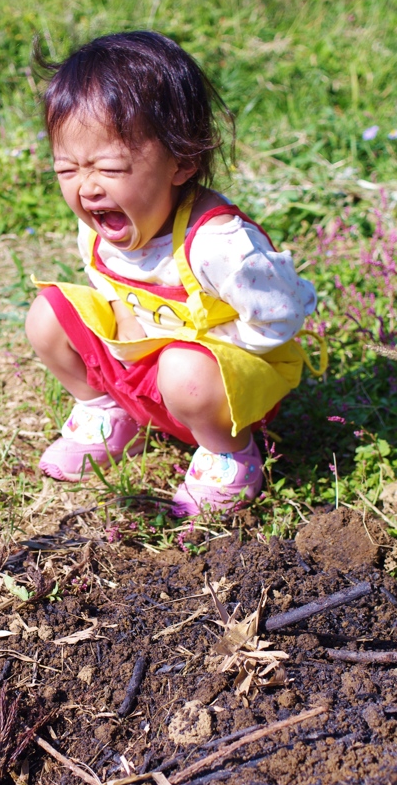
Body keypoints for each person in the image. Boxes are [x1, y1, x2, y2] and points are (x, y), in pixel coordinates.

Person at [25, 31, 321, 516]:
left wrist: (198, 348)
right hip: (149, 378)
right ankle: (109, 414)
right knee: (46, 315)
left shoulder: (218, 244)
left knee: (183, 369)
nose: (87, 188)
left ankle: (230, 456)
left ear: (181, 161)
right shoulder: (100, 230)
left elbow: (284, 314)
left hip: (219, 392)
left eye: (109, 168)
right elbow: (104, 279)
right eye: (67, 170)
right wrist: (127, 318)